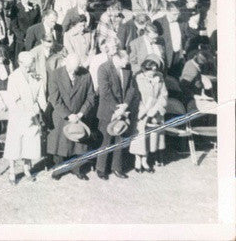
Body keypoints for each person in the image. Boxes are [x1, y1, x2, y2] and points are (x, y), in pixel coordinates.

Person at [46, 52, 95, 180]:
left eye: (76, 69)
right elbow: (54, 99)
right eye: (71, 69)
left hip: (79, 115)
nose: (74, 72)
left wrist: (81, 113)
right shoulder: (55, 75)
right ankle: (58, 169)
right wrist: (68, 115)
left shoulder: (85, 74)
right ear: (65, 62)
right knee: (60, 144)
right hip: (62, 115)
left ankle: (77, 168)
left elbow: (91, 97)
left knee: (78, 143)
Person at [3, 51, 46, 184]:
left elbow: (40, 96)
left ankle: (27, 169)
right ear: (19, 63)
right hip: (18, 116)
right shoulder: (13, 77)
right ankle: (12, 172)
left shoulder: (36, 76)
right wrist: (28, 109)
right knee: (15, 144)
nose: (28, 69)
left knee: (30, 143)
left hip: (32, 116)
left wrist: (44, 109)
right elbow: (14, 100)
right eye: (26, 66)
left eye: (30, 66)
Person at [95, 49, 139, 180]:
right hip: (108, 111)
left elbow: (131, 88)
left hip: (123, 110)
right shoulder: (103, 68)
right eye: (126, 60)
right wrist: (116, 108)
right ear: (118, 58)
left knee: (120, 140)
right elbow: (105, 91)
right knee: (106, 140)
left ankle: (117, 168)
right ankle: (101, 168)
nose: (128, 63)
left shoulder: (127, 69)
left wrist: (125, 105)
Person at [129, 57, 168, 172]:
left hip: (155, 113)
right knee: (139, 138)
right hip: (141, 112)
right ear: (144, 70)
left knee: (150, 138)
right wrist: (144, 110)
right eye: (151, 70)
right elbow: (135, 96)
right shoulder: (137, 79)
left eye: (155, 70)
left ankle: (145, 161)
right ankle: (137, 161)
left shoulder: (159, 78)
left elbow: (163, 95)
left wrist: (156, 109)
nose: (154, 72)